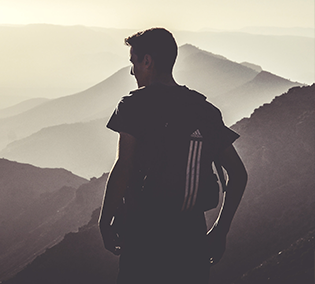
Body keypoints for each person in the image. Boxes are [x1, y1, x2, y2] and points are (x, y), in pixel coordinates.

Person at [98, 28, 248, 284]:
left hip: (143, 237)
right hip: (191, 239)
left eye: (134, 62)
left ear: (148, 61)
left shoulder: (133, 106)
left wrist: (105, 221)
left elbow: (123, 167)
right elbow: (238, 174)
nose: (133, 71)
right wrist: (221, 230)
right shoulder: (204, 110)